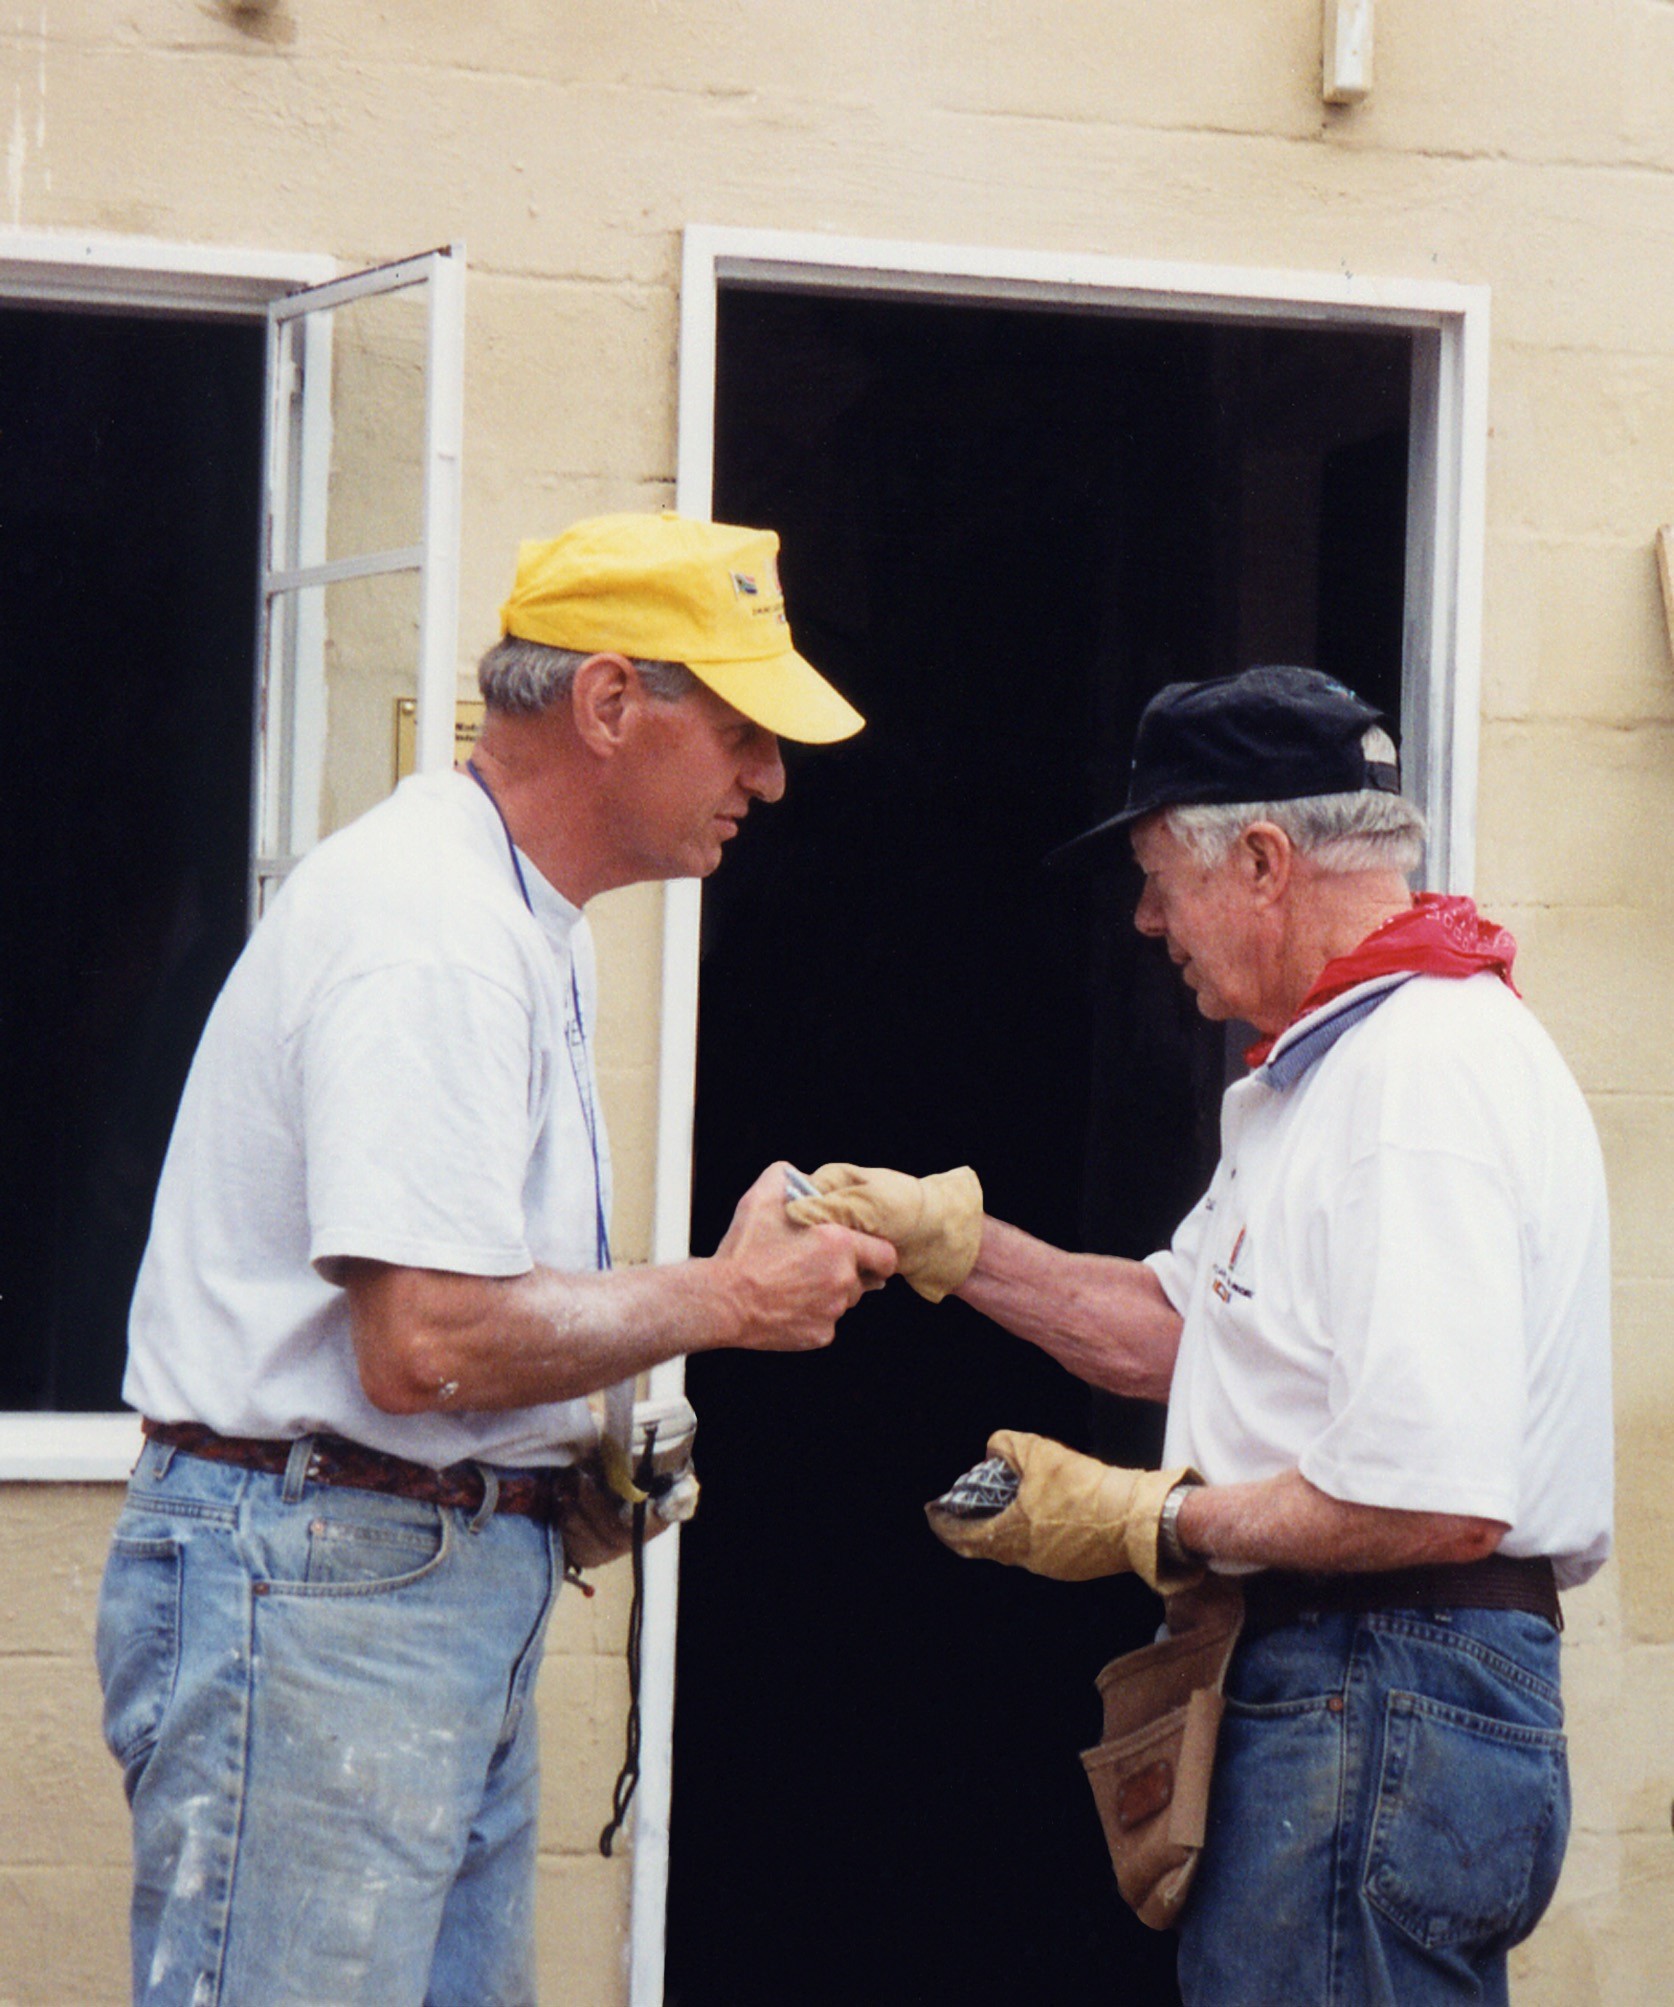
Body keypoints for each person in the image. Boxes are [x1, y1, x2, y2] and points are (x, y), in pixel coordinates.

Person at [96, 511, 897, 2007]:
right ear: (608, 705)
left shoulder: (515, 917)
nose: (768, 777)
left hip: (384, 1565)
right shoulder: (437, 931)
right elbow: (429, 1346)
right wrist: (726, 1298)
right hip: (329, 1573)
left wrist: (547, 1466)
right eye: (739, 729)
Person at [792, 664, 1612, 2007]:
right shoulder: (1339, 1063)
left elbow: (1433, 1499)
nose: (1142, 918)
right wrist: (951, 1244)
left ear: (1262, 859)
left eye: (1156, 874)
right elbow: (1187, 1336)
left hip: (1378, 1678)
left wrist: (1148, 1519)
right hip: (1369, 1690)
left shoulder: (1412, 1081)